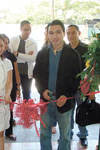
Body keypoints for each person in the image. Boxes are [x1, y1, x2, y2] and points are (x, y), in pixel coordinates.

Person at [33, 20, 81, 150]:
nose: (55, 36)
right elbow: (37, 75)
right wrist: (42, 91)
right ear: (47, 34)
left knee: (65, 135)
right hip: (46, 101)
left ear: (63, 33)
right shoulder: (42, 54)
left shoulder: (72, 54)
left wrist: (67, 95)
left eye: (58, 32)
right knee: (44, 133)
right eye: (51, 33)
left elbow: (77, 79)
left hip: (65, 101)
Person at [66, 24, 89, 147]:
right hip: (68, 88)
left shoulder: (86, 48)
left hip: (82, 88)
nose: (70, 36)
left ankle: (83, 135)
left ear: (79, 33)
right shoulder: (64, 49)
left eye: (73, 33)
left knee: (82, 112)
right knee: (67, 113)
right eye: (68, 33)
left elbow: (91, 70)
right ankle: (67, 134)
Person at [9, 20, 37, 101]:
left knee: (27, 94)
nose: (28, 32)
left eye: (29, 30)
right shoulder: (13, 40)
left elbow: (32, 59)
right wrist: (26, 56)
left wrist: (18, 54)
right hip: (14, 72)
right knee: (13, 93)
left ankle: (27, 112)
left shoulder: (33, 42)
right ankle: (12, 113)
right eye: (26, 29)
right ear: (21, 29)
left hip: (27, 73)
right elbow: (11, 56)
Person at [2, 34, 21, 141]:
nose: (5, 44)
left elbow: (16, 72)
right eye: (3, 42)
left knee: (9, 109)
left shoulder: (11, 56)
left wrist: (18, 87)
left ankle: (9, 132)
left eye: (6, 42)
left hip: (12, 86)